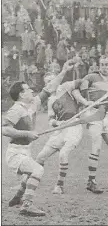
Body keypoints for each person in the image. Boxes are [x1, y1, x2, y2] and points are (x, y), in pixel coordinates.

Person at [2, 60, 74, 216]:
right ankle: (27, 205)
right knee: (38, 170)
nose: (32, 91)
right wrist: (26, 134)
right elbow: (4, 130)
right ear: (21, 94)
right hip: (15, 153)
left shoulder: (32, 104)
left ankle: (18, 198)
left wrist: (63, 71)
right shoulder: (16, 110)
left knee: (29, 173)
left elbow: (49, 88)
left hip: (25, 151)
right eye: (27, 90)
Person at [71, 55, 108, 194]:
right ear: (99, 66)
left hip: (106, 116)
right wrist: (86, 102)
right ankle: (91, 182)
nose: (104, 67)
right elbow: (75, 90)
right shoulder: (91, 77)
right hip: (93, 114)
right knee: (96, 148)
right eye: (102, 64)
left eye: (106, 64)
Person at [35, 75, 94, 194]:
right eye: (47, 82)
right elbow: (51, 119)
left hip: (74, 127)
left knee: (63, 154)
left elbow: (82, 82)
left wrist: (85, 101)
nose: (50, 83)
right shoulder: (50, 100)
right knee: (40, 157)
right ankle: (28, 182)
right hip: (60, 130)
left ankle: (59, 186)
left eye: (52, 80)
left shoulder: (65, 87)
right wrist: (57, 122)